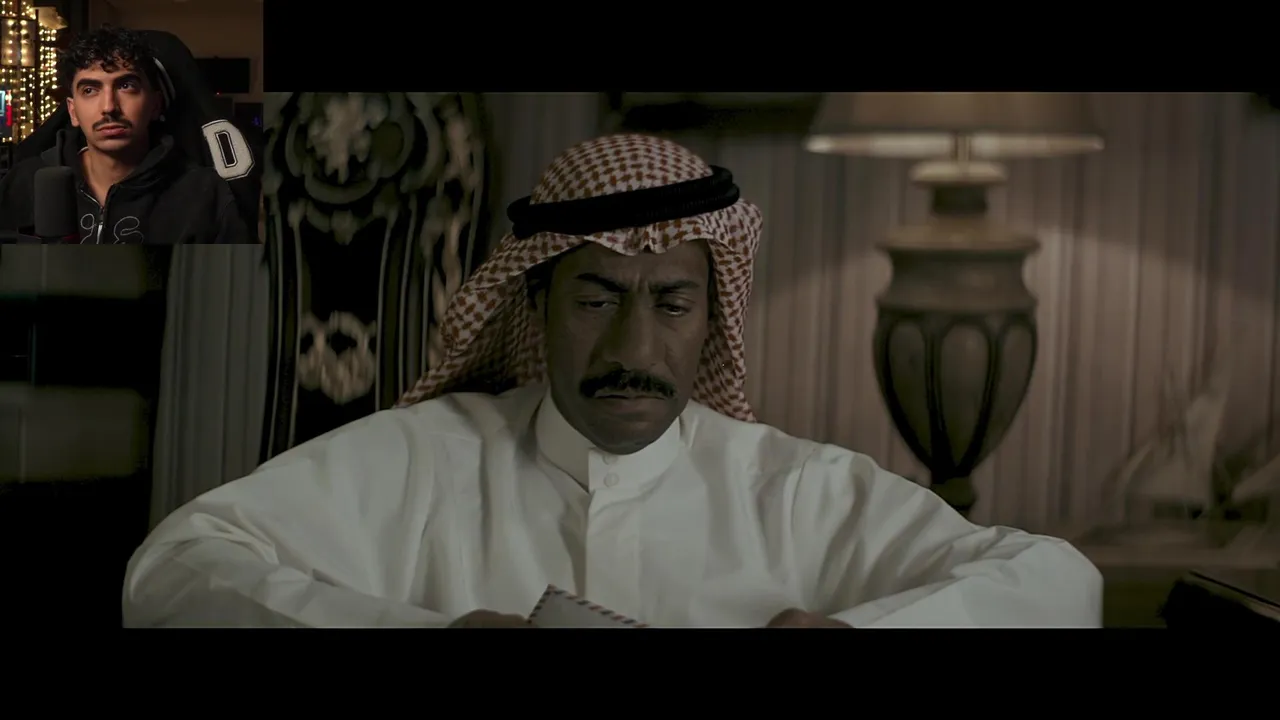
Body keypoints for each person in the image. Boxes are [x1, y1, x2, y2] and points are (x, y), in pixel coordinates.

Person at [122, 134, 1103, 628]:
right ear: (536, 302)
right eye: (597, 297)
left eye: (672, 303)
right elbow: (171, 572)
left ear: (711, 317)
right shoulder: (418, 459)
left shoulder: (797, 491)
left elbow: (1060, 584)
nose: (635, 345)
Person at [0, 25, 251, 244]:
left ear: (155, 105)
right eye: (90, 90)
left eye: (126, 86)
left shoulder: (204, 196)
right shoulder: (24, 184)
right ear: (72, 111)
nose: (109, 107)